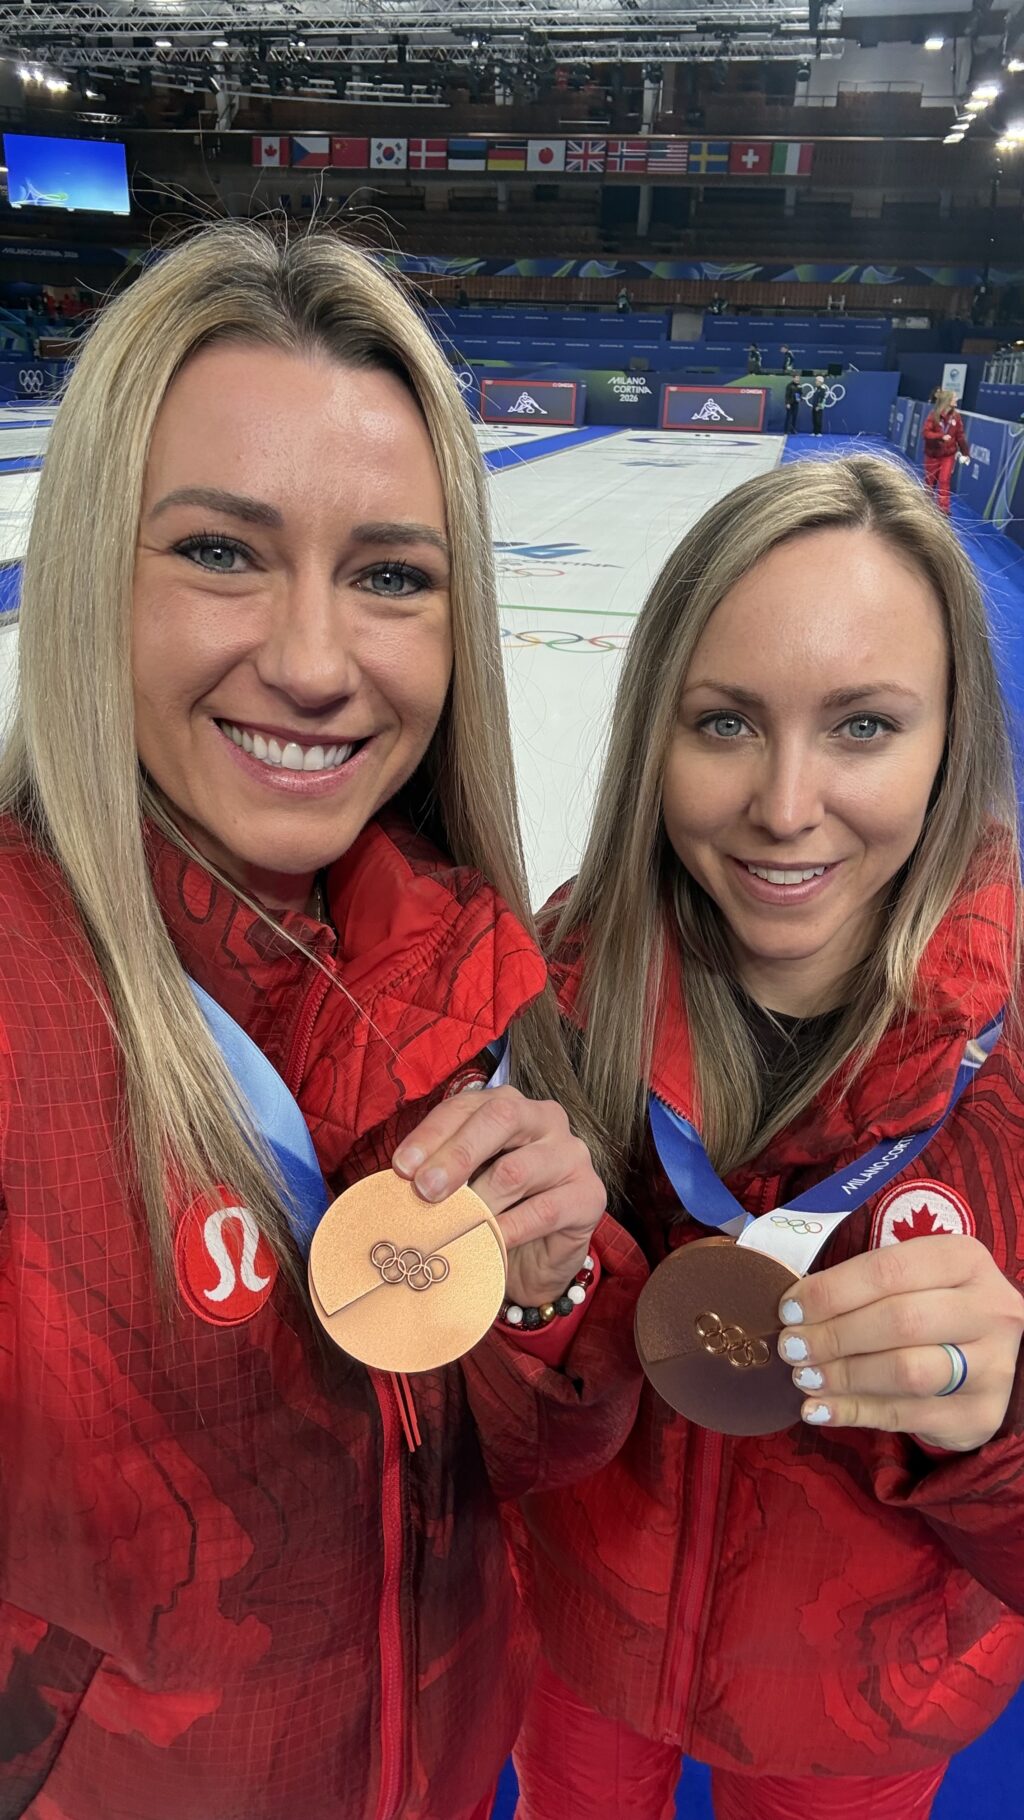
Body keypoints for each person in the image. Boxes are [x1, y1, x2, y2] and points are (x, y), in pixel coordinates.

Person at [0, 222, 646, 1820]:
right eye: (220, 550)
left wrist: (541, 1296)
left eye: (389, 575)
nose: (311, 661)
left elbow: (534, 1474)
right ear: (92, 569)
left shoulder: (469, 965)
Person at [514, 454, 1024, 1820]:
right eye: (726, 724)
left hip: (859, 1701)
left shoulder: (1015, 1067)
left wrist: (999, 1423)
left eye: (862, 726)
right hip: (580, 1637)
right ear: (653, 736)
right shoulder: (564, 980)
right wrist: (522, 1299)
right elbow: (496, 1434)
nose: (786, 807)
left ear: (950, 738)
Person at [922, 386, 970, 516]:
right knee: (930, 481)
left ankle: (943, 509)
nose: (957, 399)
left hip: (948, 455)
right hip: (932, 454)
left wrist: (966, 453)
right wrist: (940, 436)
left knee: (944, 480)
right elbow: (926, 433)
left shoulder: (956, 417)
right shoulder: (933, 416)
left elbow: (960, 436)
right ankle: (925, 506)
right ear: (948, 400)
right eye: (954, 397)